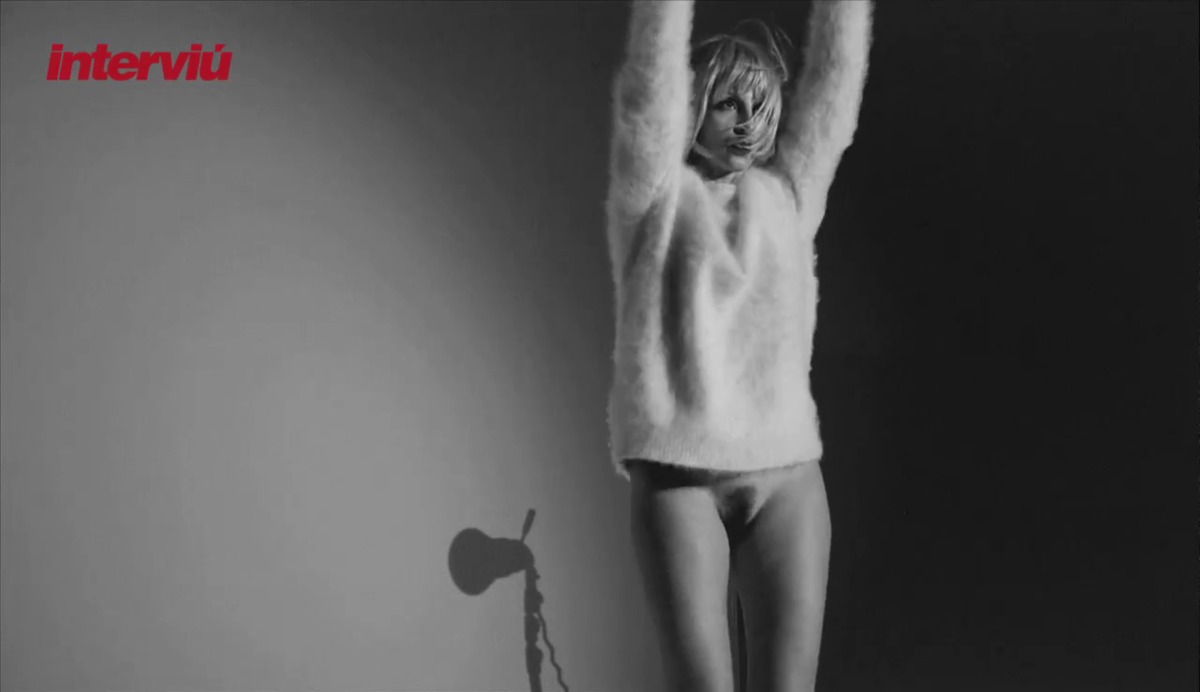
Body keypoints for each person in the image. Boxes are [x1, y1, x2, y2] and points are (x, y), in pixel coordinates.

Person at [603, 1, 873, 690]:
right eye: (728, 103)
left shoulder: (789, 196)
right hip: (680, 476)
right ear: (692, 106)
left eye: (761, 105)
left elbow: (835, 84)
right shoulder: (652, 200)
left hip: (787, 477)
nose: (749, 122)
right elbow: (650, 82)